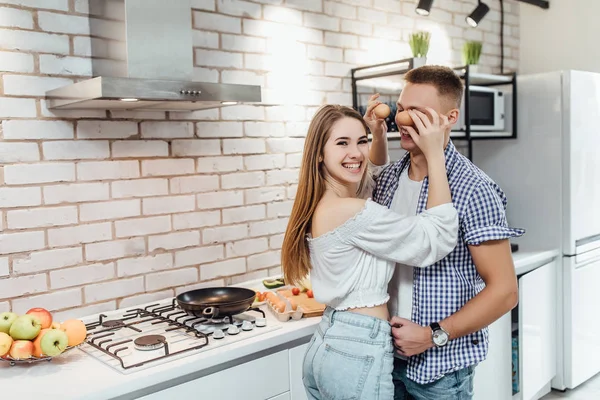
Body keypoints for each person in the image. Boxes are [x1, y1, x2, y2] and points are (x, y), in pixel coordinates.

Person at [364, 65, 526, 400]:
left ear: (449, 118)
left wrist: (432, 334)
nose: (404, 120)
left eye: (419, 113)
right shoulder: (390, 179)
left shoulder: (474, 188)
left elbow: (505, 292)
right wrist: (375, 135)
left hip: (440, 370)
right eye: (403, 109)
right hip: (384, 358)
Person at [281, 103, 460, 399]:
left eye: (361, 141)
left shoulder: (327, 203)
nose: (356, 153)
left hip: (331, 343)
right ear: (319, 154)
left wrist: (377, 134)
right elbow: (434, 238)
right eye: (342, 143)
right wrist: (435, 154)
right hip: (357, 349)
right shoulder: (351, 211)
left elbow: (370, 175)